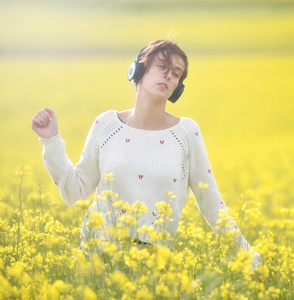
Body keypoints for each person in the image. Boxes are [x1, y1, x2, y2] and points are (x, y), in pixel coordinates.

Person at [31, 39, 261, 270]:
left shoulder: (186, 133)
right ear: (138, 71)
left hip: (153, 269)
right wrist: (51, 140)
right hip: (96, 262)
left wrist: (246, 254)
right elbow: (75, 192)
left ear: (178, 87)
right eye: (162, 66)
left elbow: (211, 202)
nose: (169, 75)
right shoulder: (106, 125)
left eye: (176, 73)